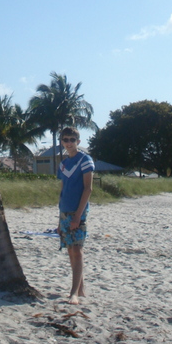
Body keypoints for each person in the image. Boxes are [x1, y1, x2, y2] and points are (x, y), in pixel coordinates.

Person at [57, 127, 94, 304]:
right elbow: (63, 189)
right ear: (62, 142)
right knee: (70, 250)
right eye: (66, 139)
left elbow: (88, 188)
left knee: (77, 251)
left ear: (78, 142)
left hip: (78, 212)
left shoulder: (85, 160)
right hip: (64, 211)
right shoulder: (63, 164)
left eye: (72, 139)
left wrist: (78, 216)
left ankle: (73, 293)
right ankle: (80, 288)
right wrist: (59, 219)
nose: (69, 143)